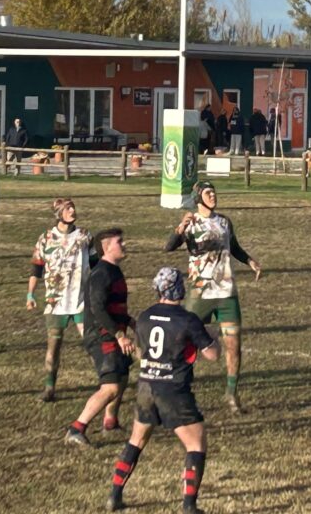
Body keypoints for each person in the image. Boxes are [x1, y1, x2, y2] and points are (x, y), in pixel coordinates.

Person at [107, 267, 220, 513]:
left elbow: (140, 350)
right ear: (179, 288)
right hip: (174, 390)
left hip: (147, 386)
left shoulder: (145, 316)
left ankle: (114, 495)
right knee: (196, 444)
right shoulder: (188, 320)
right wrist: (214, 337)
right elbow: (212, 354)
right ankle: (189, 505)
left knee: (136, 441)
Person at [165, 180, 261, 413]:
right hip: (201, 293)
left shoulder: (225, 221)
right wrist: (179, 229)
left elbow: (234, 246)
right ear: (198, 198)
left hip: (227, 293)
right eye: (208, 193)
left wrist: (250, 261)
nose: (213, 195)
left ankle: (231, 395)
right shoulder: (191, 222)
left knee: (234, 345)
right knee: (184, 344)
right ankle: (176, 388)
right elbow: (169, 247)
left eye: (214, 192)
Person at [66, 228, 136, 445]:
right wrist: (119, 335)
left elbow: (113, 306)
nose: (124, 245)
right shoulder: (102, 273)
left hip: (113, 333)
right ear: (107, 247)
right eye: (119, 242)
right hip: (102, 336)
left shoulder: (114, 271)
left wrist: (131, 323)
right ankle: (77, 429)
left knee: (122, 376)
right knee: (111, 387)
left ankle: (110, 420)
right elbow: (97, 308)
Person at [28, 198, 94, 402]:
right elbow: (36, 268)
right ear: (58, 214)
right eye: (67, 208)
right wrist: (30, 294)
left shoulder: (84, 236)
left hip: (81, 300)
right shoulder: (46, 238)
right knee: (53, 346)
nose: (72, 210)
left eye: (72, 207)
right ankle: (49, 388)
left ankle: (107, 382)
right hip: (55, 302)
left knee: (92, 343)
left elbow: (96, 264)